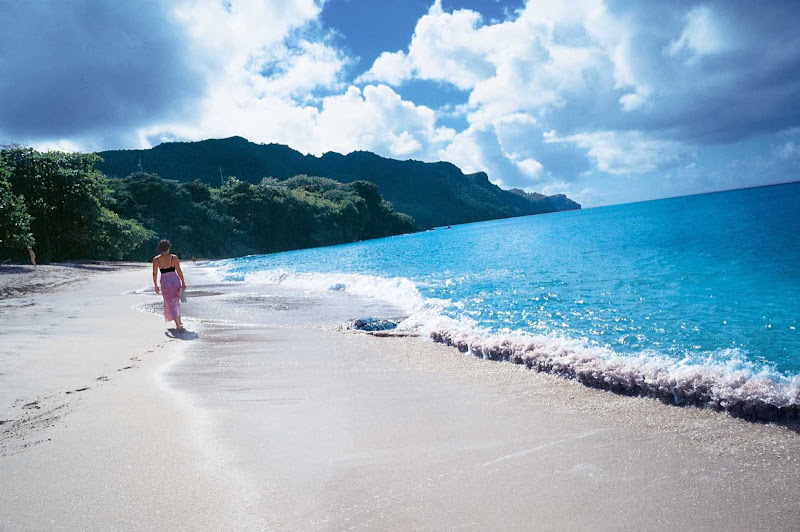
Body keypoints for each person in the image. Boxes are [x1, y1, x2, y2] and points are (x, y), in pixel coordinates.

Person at [152, 239, 187, 331]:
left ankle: (178, 322)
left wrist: (155, 285)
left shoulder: (156, 259)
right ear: (168, 248)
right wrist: (183, 282)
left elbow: (155, 274)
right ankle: (178, 323)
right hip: (175, 281)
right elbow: (179, 271)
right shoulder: (174, 258)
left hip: (165, 282)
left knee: (170, 302)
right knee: (176, 302)